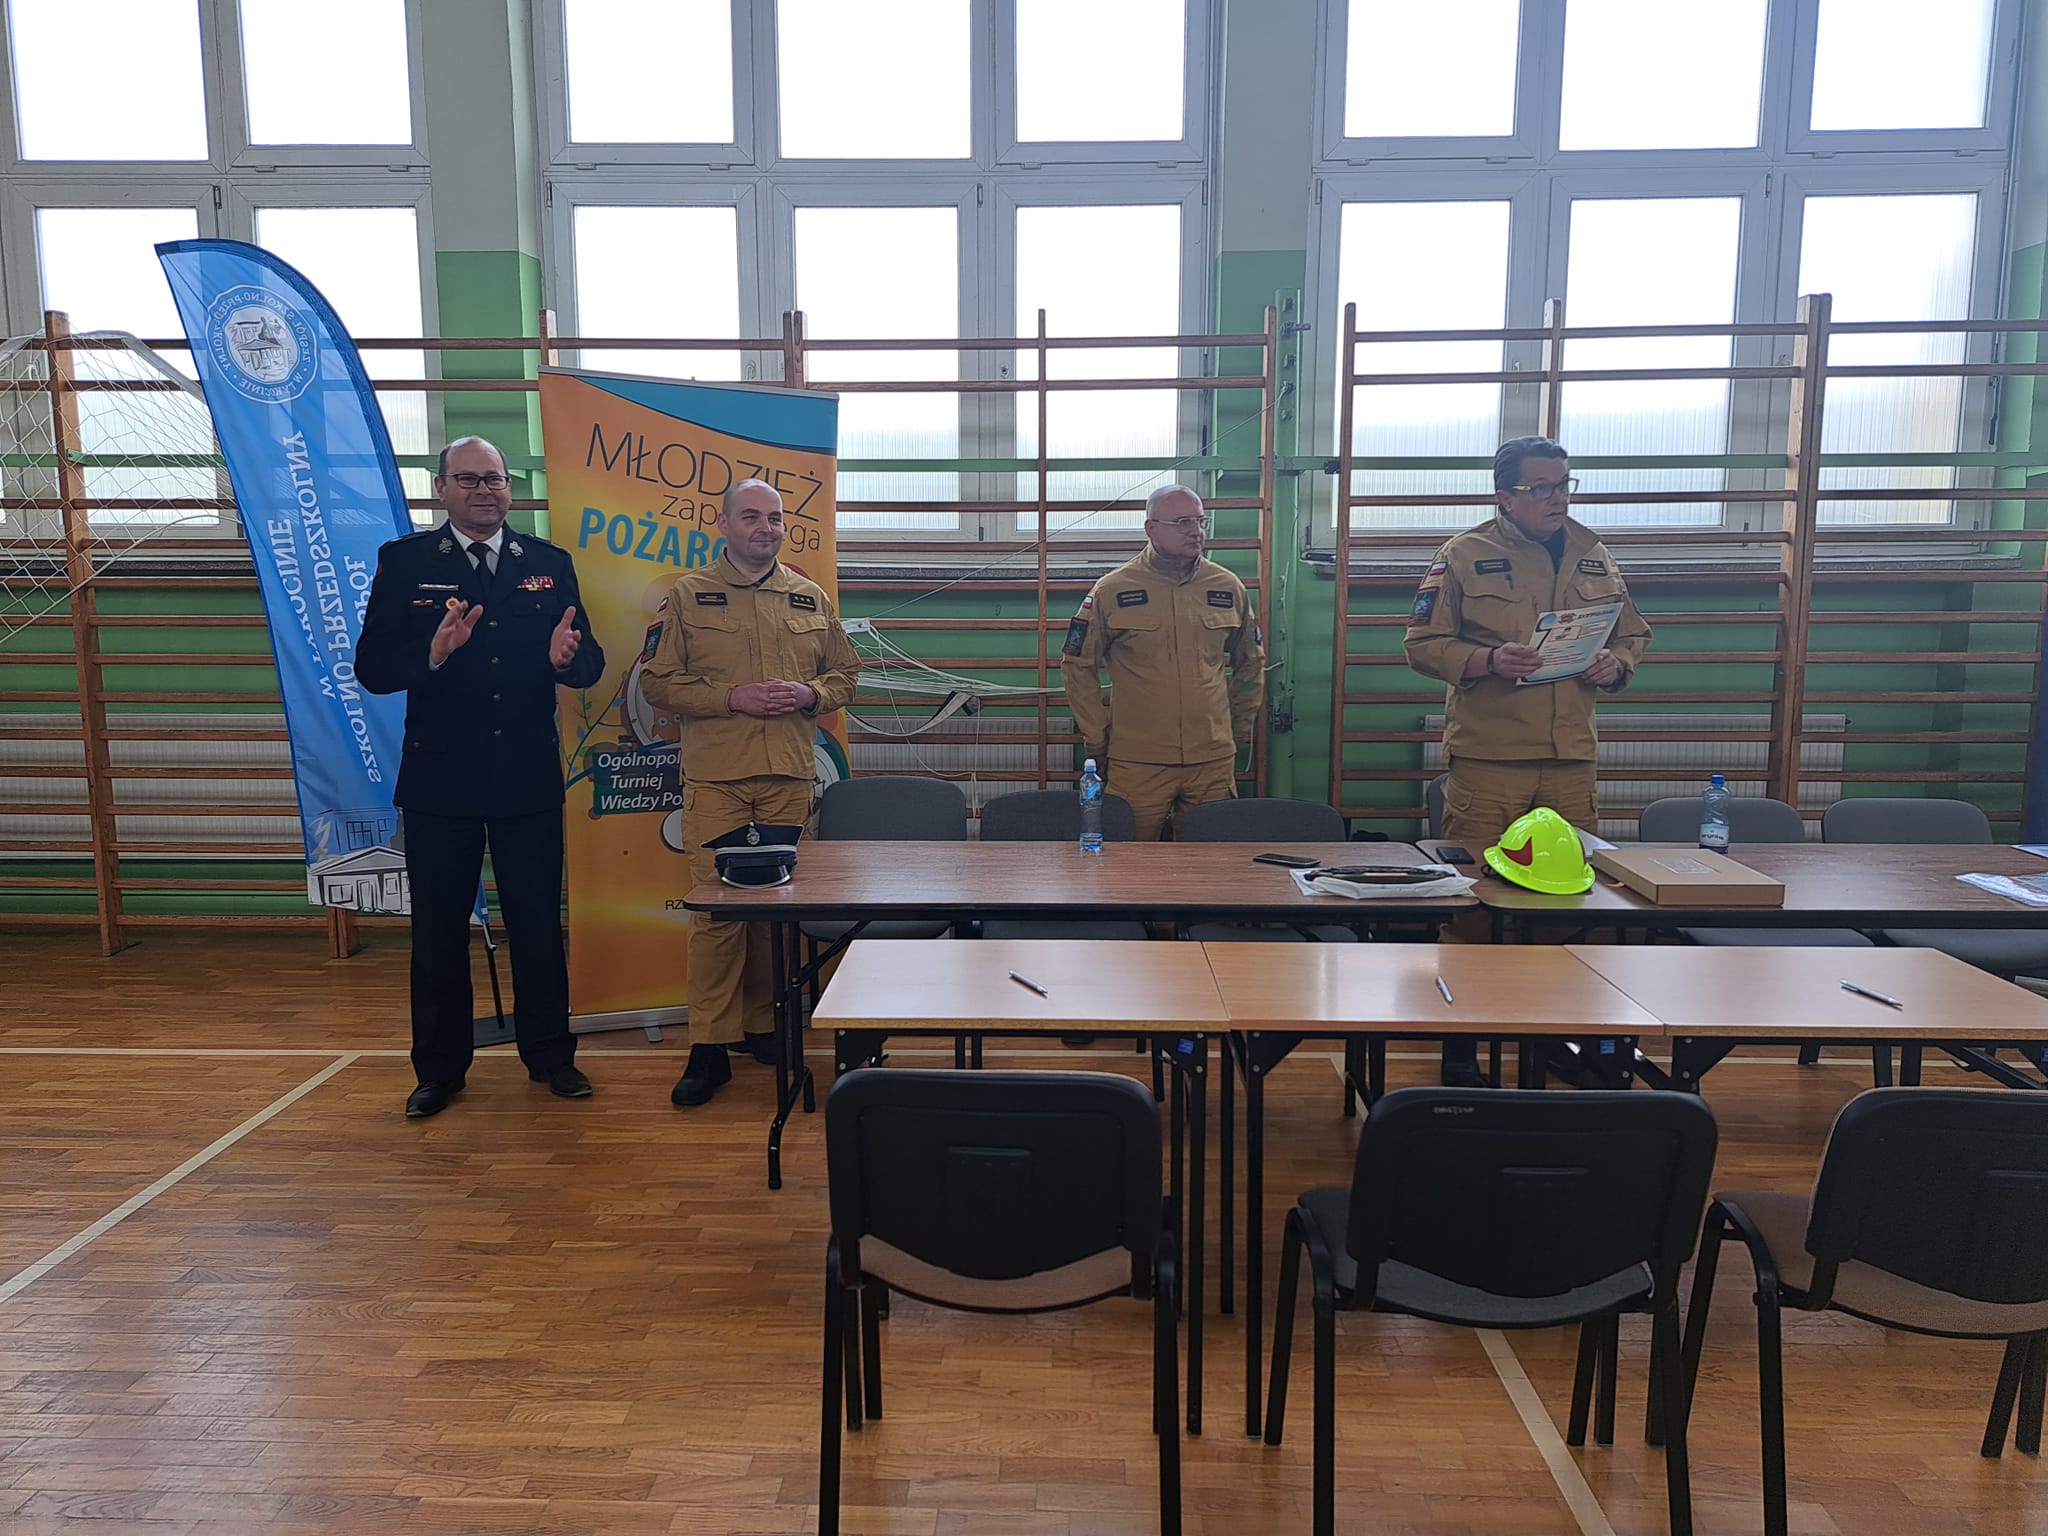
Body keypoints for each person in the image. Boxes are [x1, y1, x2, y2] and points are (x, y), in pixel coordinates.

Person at [358, 436, 606, 1118]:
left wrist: (566, 660)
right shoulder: (407, 562)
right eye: (468, 479)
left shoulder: (548, 564)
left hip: (526, 777)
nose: (484, 490)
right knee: (438, 932)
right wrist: (432, 654)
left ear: (509, 488)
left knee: (537, 924)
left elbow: (589, 665)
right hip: (441, 780)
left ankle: (551, 1056)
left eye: (494, 479)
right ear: (442, 488)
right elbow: (372, 669)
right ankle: (439, 1071)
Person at [1404, 435, 1651, 1085]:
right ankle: (1463, 1047)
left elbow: (1632, 633)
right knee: (1475, 904)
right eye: (1540, 488)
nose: (1557, 498)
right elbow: (1422, 644)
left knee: (1575, 904)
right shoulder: (1464, 555)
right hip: (1491, 759)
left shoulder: (1594, 552)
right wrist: (1486, 659)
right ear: (1504, 496)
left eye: (1564, 485)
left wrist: (1616, 665)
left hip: (1570, 758)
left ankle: (1556, 1039)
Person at [639, 478, 861, 1108]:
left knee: (776, 913)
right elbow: (657, 683)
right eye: (752, 517)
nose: (766, 528)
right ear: (724, 523)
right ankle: (710, 1046)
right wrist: (730, 697)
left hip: (789, 775)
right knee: (718, 915)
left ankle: (764, 1026)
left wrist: (812, 694)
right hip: (718, 779)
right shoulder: (688, 596)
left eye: (775, 518)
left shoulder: (809, 595)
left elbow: (846, 674)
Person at [1059, 485, 1266, 840]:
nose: (1196, 531)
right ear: (1151, 528)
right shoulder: (1112, 590)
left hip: (1211, 760)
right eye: (1183, 522)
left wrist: (1236, 727)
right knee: (1128, 862)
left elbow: (1251, 661)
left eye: (1201, 521)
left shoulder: (1227, 587)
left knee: (1212, 860)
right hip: (1138, 760)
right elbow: (1077, 665)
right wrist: (1097, 737)